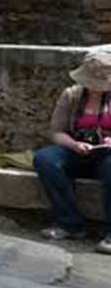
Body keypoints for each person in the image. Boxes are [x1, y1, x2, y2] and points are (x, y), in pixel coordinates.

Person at [34, 49, 111, 255]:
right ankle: (69, 224)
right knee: (45, 160)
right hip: (76, 150)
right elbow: (56, 131)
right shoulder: (71, 95)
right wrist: (74, 145)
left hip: (106, 155)